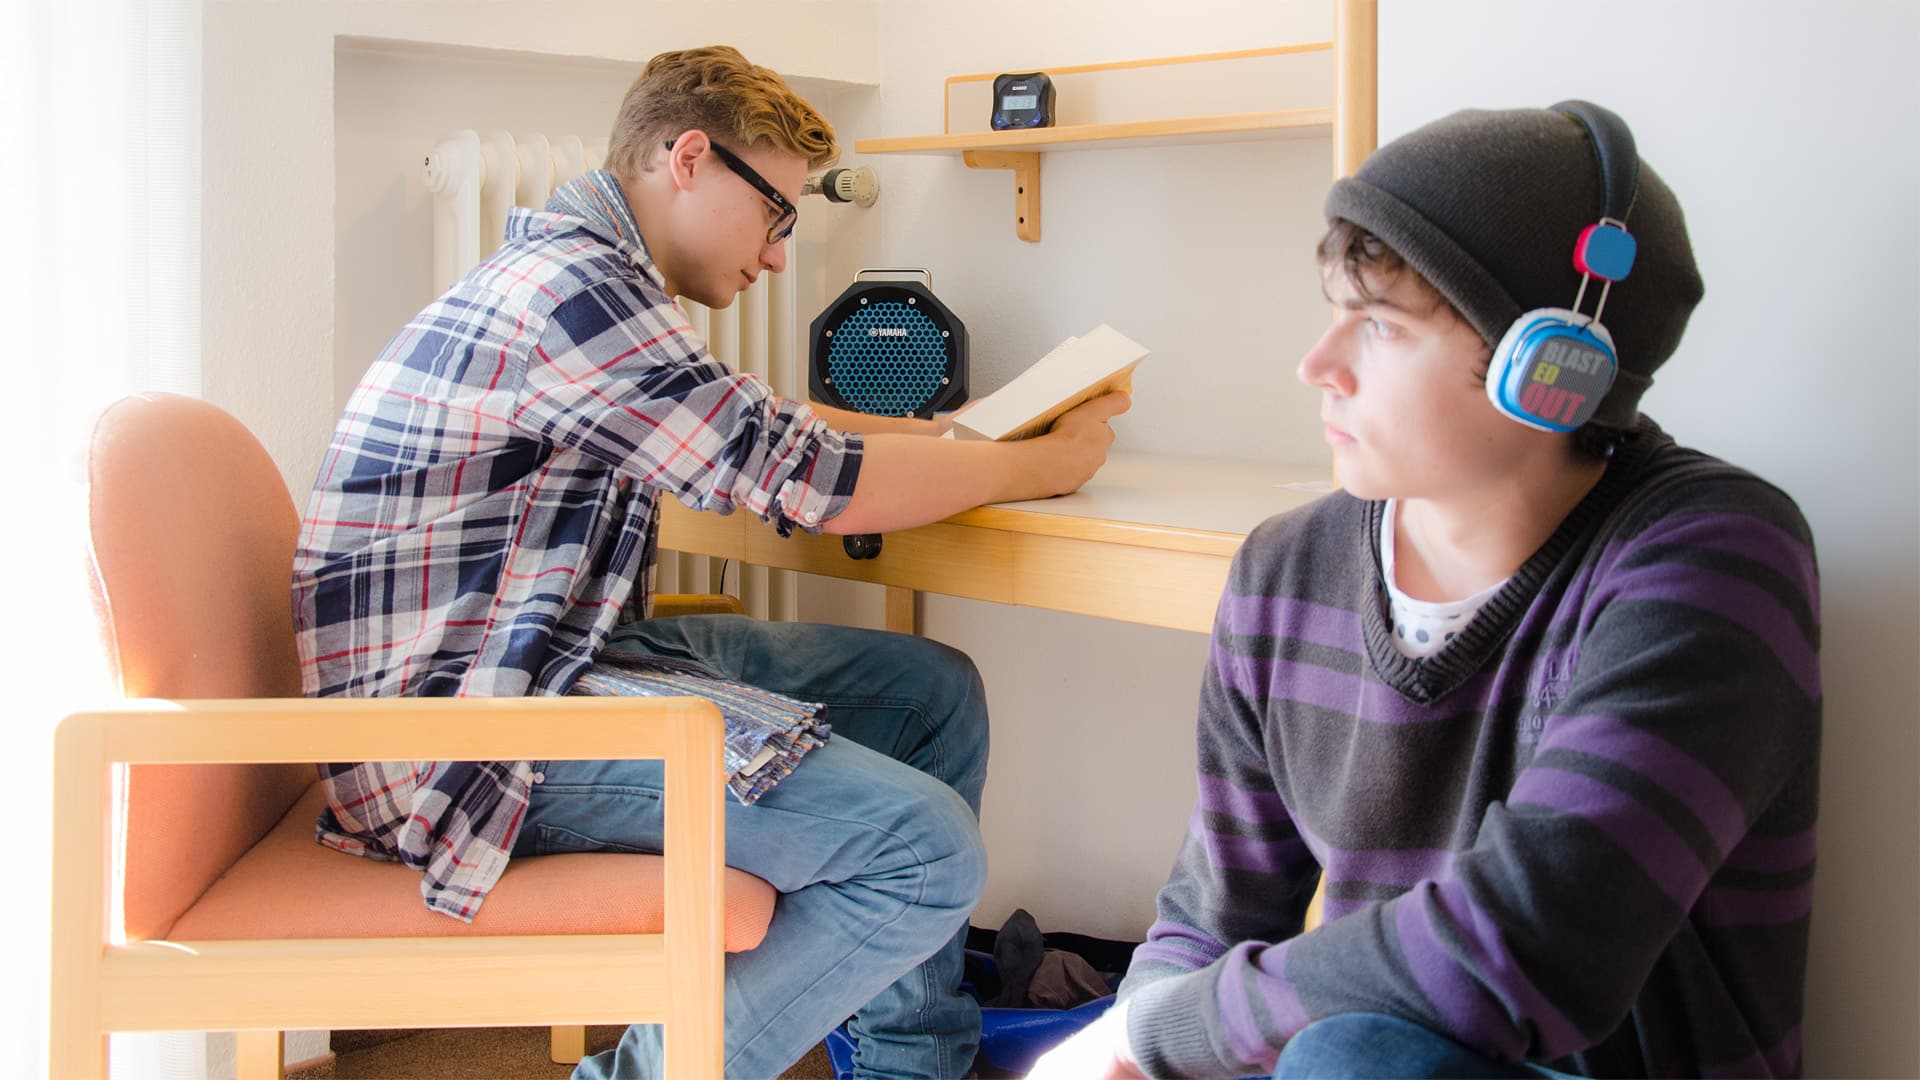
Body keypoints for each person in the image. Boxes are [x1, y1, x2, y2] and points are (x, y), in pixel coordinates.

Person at [291, 45, 1129, 1080]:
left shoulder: (584, 278)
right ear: (689, 159)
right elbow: (809, 480)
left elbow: (767, 423)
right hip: (469, 735)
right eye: (776, 214)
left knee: (927, 693)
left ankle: (911, 1061)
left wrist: (968, 441)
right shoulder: (574, 295)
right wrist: (1040, 464)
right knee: (926, 850)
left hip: (546, 660)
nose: (780, 255)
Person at [1029, 101, 1820, 1079]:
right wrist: (1129, 1038)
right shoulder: (1285, 570)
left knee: (1352, 1059)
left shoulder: (1716, 558)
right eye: (1336, 314)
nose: (1318, 367)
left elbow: (1524, 953)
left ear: (1550, 374)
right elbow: (1207, 922)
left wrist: (1153, 1034)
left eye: (1382, 326)